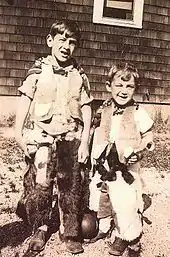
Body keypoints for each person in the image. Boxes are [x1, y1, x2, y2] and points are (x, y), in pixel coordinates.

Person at [15, 19, 93, 254]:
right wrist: (19, 134)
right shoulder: (38, 71)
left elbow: (87, 107)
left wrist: (86, 140)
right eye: (61, 40)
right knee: (41, 185)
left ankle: (69, 232)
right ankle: (40, 228)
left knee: (70, 186)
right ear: (50, 41)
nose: (66, 46)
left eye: (72, 43)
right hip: (43, 138)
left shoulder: (79, 75)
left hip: (70, 137)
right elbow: (25, 101)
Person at [89, 62, 154, 256]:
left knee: (124, 202)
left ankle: (127, 236)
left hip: (126, 168)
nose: (124, 91)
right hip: (104, 165)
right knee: (101, 195)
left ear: (135, 89)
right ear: (109, 86)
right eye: (119, 85)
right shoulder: (104, 109)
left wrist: (141, 149)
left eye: (129, 86)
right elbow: (96, 132)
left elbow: (148, 136)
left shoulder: (137, 112)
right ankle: (104, 226)